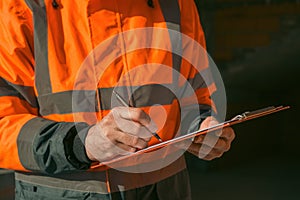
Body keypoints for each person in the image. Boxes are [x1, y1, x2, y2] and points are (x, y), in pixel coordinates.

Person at [0, 0, 235, 199]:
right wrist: (83, 143)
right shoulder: (18, 8)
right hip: (63, 192)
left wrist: (201, 125)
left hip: (165, 190)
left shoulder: (174, 3)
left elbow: (198, 90)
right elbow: (4, 125)